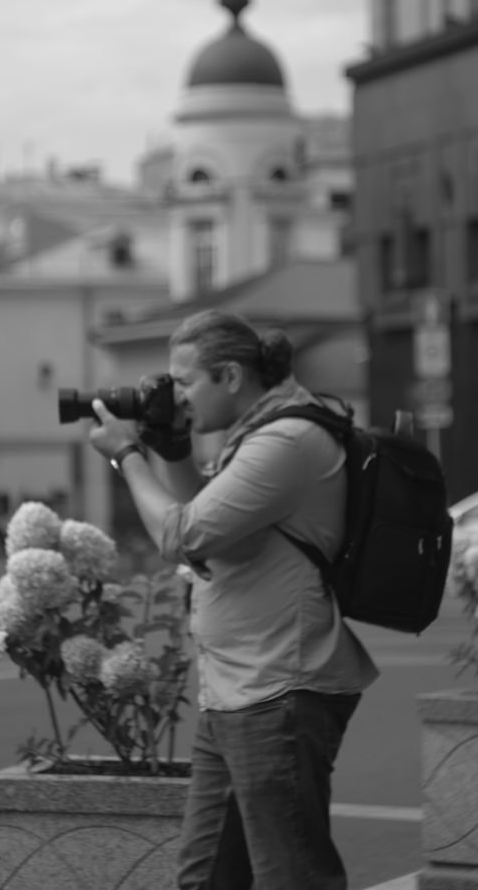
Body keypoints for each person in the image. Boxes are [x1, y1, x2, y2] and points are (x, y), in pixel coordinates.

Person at [88, 308, 379, 890]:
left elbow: (182, 535)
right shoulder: (253, 434)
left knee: (291, 877)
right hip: (235, 691)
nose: (175, 395)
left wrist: (128, 456)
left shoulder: (287, 440)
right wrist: (173, 450)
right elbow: (214, 523)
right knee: (205, 880)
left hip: (278, 689)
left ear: (230, 377)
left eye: (185, 381)